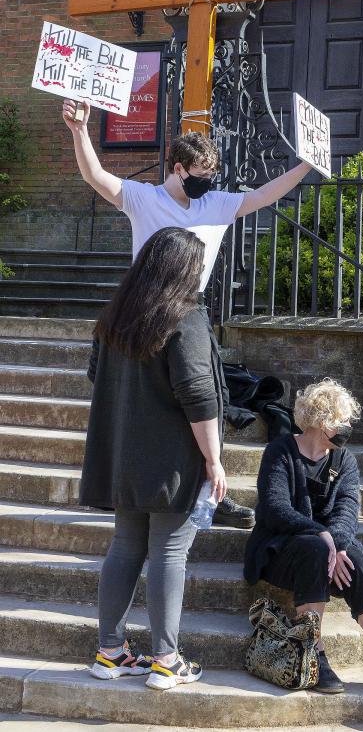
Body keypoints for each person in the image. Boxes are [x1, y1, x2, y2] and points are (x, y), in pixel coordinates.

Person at [63, 98, 311, 529]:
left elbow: (261, 196)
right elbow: (97, 177)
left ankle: (211, 493)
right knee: (161, 405)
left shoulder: (214, 204)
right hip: (144, 315)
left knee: (207, 400)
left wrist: (305, 166)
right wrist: (79, 131)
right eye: (199, 175)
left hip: (189, 313)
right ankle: (142, 487)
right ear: (178, 168)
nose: (206, 183)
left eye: (211, 176)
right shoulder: (143, 198)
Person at [80, 227, 227, 690]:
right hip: (172, 458)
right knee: (169, 551)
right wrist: (214, 459)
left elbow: (93, 375)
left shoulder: (115, 317)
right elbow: (198, 393)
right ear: (183, 270)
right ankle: (166, 659)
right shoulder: (184, 318)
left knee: (125, 546)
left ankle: (110, 653)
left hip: (123, 451)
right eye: (198, 267)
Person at [244, 378, 363, 710]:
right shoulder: (280, 451)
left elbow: (347, 513)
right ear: (320, 421)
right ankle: (316, 654)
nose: (345, 428)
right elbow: (274, 509)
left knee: (357, 556)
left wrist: (336, 544)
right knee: (314, 547)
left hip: (328, 550)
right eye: (340, 421)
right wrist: (320, 534)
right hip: (278, 550)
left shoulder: (344, 461)